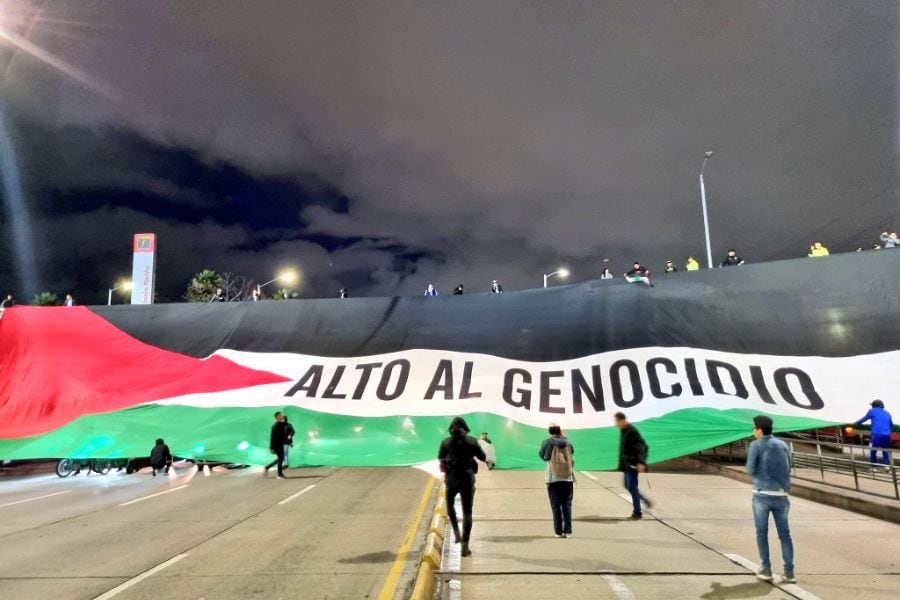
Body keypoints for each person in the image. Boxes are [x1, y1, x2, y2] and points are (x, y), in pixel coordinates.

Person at [745, 415, 795, 583]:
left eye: (754, 428)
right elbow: (789, 466)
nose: (753, 431)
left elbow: (750, 469)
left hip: (762, 494)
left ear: (759, 429)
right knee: (785, 535)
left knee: (761, 532)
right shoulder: (783, 445)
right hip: (782, 495)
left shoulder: (756, 445)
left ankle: (766, 568)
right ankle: (789, 572)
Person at [437, 417, 486, 557]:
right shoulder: (472, 441)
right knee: (467, 513)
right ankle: (465, 547)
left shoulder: (445, 442)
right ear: (466, 428)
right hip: (467, 479)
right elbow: (482, 457)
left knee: (451, 506)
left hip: (451, 479)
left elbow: (440, 457)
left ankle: (456, 532)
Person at [539, 425, 575, 538]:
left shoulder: (547, 442)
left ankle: (558, 532)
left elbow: (541, 454)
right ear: (560, 431)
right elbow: (572, 452)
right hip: (567, 477)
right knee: (567, 505)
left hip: (553, 478)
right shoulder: (568, 441)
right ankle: (568, 531)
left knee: (555, 506)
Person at [615, 412, 651, 519]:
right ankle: (645, 500)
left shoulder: (631, 431)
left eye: (616, 421)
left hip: (633, 464)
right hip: (627, 464)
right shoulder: (624, 431)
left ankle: (637, 512)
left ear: (622, 420)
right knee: (627, 485)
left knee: (632, 487)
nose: (615, 424)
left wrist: (641, 462)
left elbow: (642, 446)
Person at [854, 400, 893, 466]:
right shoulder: (887, 413)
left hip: (876, 434)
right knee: (885, 450)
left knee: (873, 450)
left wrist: (855, 423)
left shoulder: (872, 411)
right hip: (887, 435)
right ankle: (886, 466)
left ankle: (874, 467)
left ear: (874, 405)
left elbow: (864, 419)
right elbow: (891, 424)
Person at [264, 411, 289, 479]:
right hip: (276, 445)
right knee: (281, 459)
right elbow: (272, 437)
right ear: (277, 417)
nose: (282, 416)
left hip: (281, 444)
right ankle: (279, 475)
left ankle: (267, 467)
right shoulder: (275, 426)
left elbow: (285, 424)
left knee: (281, 458)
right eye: (281, 415)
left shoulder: (280, 424)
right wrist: (271, 448)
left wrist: (285, 418)